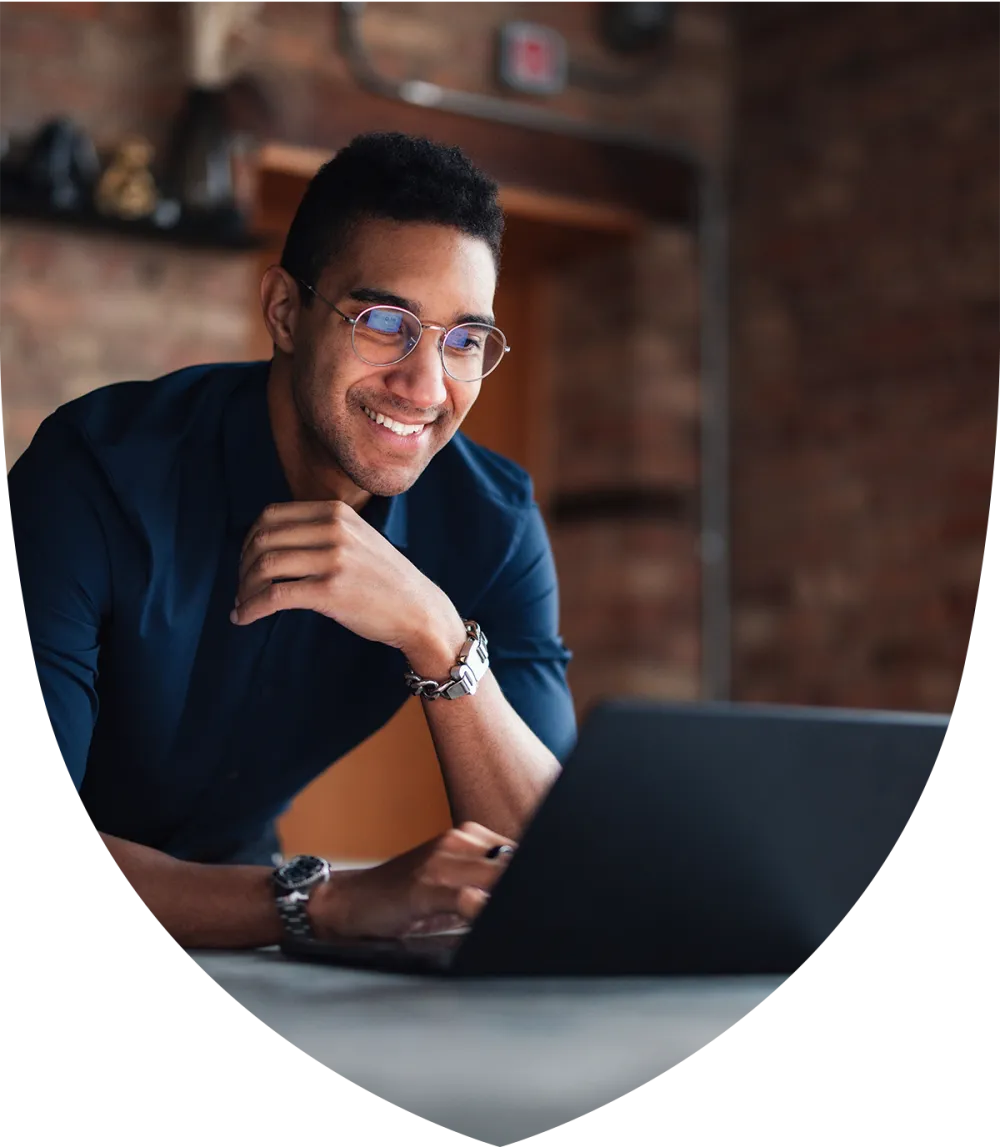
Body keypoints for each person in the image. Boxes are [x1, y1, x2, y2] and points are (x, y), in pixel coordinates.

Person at [7, 131, 577, 949]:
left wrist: (437, 635)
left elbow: (551, 863)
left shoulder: (493, 522)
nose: (426, 386)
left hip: (245, 920)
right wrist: (329, 901)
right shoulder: (95, 475)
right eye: (386, 322)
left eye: (464, 341)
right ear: (284, 310)